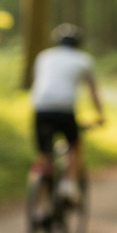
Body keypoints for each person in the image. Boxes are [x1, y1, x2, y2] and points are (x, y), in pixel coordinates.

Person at [30, 24, 105, 200]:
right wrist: (100, 115)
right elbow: (92, 91)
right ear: (78, 44)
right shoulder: (83, 59)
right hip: (64, 109)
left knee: (43, 155)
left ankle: (38, 202)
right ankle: (69, 185)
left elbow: (37, 81)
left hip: (41, 108)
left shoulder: (44, 57)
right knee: (74, 145)